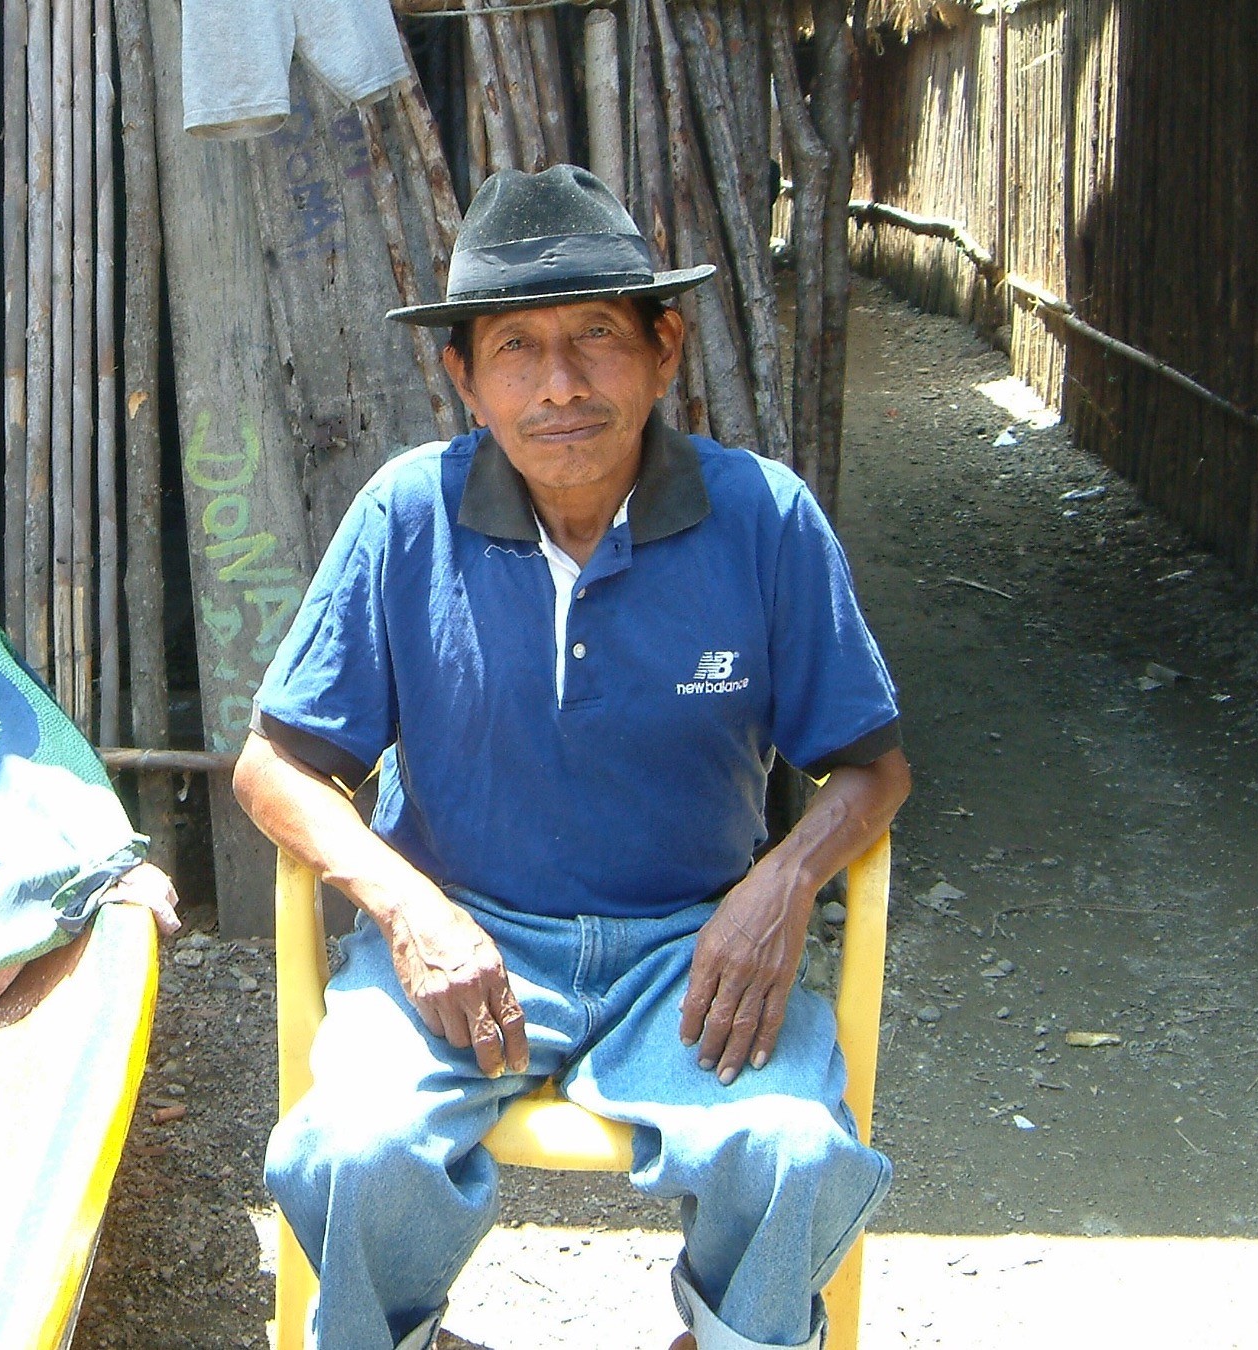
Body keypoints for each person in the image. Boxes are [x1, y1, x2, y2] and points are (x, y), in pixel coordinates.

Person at [233, 164, 911, 1350]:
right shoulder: (407, 517)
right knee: (350, 1150)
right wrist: (406, 910)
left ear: (665, 349)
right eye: (515, 349)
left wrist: (783, 882)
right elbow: (272, 767)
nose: (559, 386)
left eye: (596, 336)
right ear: (464, 378)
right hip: (465, 942)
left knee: (797, 1150)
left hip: (688, 955)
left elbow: (871, 765)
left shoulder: (763, 519)